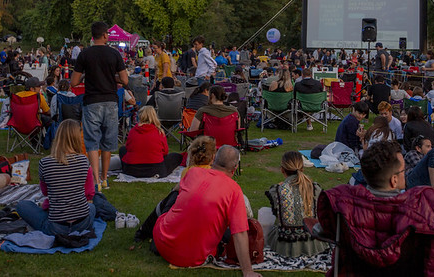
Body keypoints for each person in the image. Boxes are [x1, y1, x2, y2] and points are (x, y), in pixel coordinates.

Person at [153, 146, 262, 277]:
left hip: (163, 242)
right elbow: (240, 233)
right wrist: (248, 271)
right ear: (235, 168)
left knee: (173, 197)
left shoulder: (193, 172)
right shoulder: (234, 190)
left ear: (214, 158)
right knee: (228, 232)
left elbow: (177, 190)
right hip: (193, 257)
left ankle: (142, 232)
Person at [71, 21, 130, 191]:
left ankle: (95, 180)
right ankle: (105, 178)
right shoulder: (114, 54)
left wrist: (84, 78)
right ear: (105, 35)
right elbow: (125, 80)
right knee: (108, 141)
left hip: (92, 102)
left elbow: (74, 82)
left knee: (92, 141)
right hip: (110, 101)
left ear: (92, 36)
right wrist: (114, 78)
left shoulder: (84, 54)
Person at [15, 119, 96, 236]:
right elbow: (89, 193)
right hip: (82, 223)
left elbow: (45, 192)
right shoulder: (84, 161)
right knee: (91, 207)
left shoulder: (45, 162)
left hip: (56, 226)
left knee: (22, 205)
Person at [264, 151, 328, 257]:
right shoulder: (315, 188)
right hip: (313, 243)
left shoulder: (277, 190)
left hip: (285, 244)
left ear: (282, 170)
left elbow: (278, 215)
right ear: (302, 168)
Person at [119, 106, 184, 178]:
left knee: (122, 149)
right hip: (155, 169)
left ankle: (126, 167)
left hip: (131, 170)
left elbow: (128, 148)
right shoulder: (159, 131)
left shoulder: (133, 131)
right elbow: (165, 152)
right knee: (176, 157)